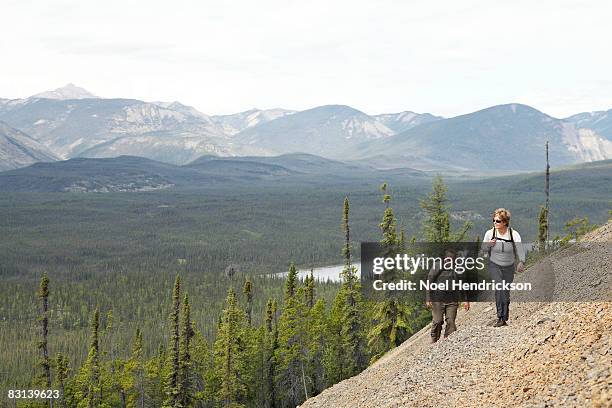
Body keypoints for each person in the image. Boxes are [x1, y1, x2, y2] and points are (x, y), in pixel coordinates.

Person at [482, 208, 525, 327]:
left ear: (505, 222)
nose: (495, 223)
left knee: (505, 291)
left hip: (509, 266)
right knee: (499, 288)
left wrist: (521, 261)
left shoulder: (513, 234)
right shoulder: (489, 233)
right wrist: (489, 245)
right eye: (494, 220)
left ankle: (504, 316)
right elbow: (483, 248)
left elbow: (520, 248)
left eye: (498, 221)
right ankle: (500, 317)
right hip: (494, 265)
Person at [426, 248, 470, 343]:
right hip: (438, 298)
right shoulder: (437, 266)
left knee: (451, 321)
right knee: (437, 321)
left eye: (451, 259)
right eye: (447, 259)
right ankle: (434, 339)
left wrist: (466, 300)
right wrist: (428, 298)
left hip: (452, 299)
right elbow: (429, 281)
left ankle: (447, 341)